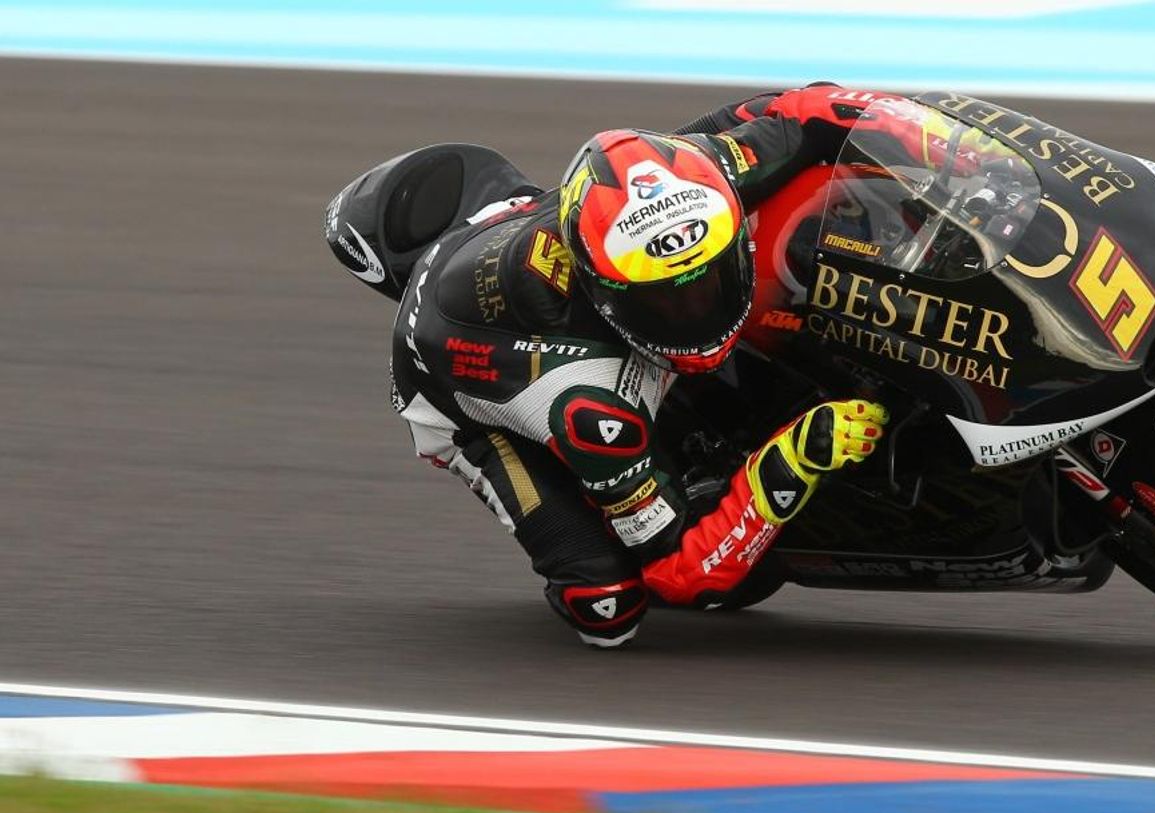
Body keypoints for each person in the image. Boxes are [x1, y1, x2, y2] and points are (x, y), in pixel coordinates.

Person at [332, 85, 897, 648]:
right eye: (666, 303)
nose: (697, 315)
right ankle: (591, 497)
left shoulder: (699, 180)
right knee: (608, 609)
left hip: (518, 227)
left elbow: (808, 111)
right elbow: (680, 573)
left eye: (710, 282)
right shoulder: (588, 401)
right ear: (604, 294)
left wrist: (943, 142)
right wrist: (790, 463)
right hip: (465, 387)